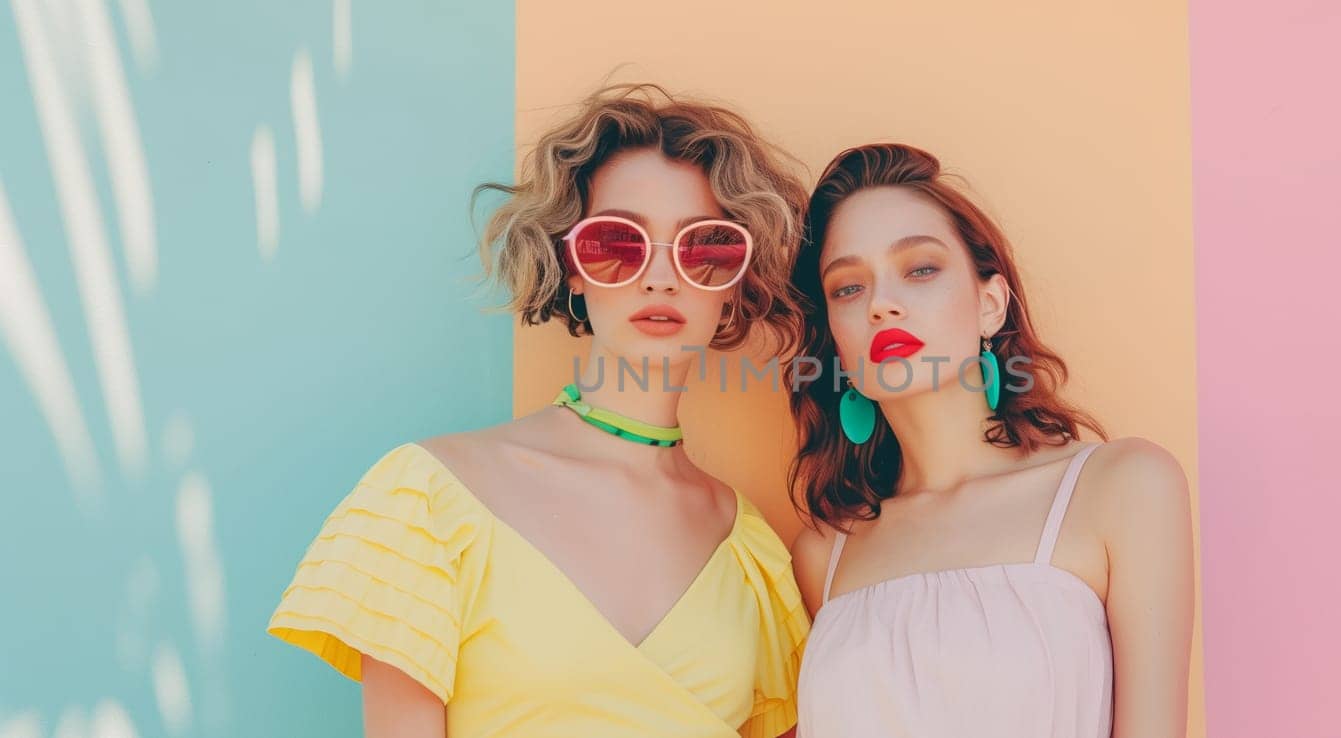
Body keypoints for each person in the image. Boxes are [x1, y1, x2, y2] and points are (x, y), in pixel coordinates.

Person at [267, 83, 811, 738]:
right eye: (618, 242)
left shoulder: (750, 553)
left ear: (735, 284)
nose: (661, 277)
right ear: (571, 265)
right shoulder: (431, 501)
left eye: (705, 247)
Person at [787, 143, 1194, 738]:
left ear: (990, 303)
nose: (882, 304)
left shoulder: (1121, 486)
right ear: (837, 342)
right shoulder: (825, 552)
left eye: (921, 269)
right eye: (848, 287)